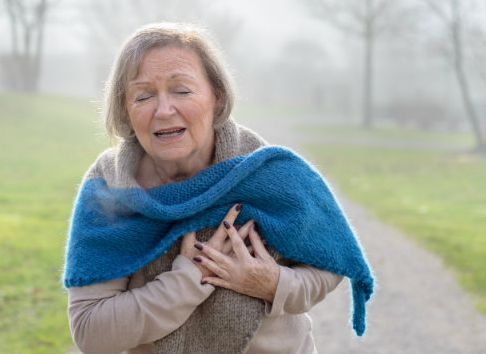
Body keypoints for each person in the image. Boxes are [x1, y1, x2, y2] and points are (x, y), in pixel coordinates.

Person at [62, 22, 374, 354]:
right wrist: (188, 279)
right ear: (126, 110)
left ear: (217, 95)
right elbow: (91, 332)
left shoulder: (265, 172)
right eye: (143, 95)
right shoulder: (111, 188)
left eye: (182, 90)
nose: (164, 110)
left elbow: (326, 266)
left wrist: (275, 284)